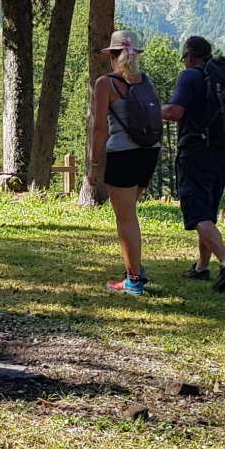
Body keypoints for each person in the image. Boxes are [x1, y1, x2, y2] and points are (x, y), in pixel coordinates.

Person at [162, 35, 225, 290]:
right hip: (222, 152)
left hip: (196, 152)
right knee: (208, 210)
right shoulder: (220, 79)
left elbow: (175, 112)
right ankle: (201, 267)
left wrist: (146, 109)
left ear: (189, 56)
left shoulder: (190, 76)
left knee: (197, 211)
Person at [87, 30, 162, 295]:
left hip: (123, 155)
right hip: (149, 153)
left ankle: (133, 280)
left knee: (126, 219)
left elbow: (100, 129)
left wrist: (94, 164)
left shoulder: (105, 84)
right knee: (130, 214)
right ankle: (135, 268)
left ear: (113, 56)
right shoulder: (146, 81)